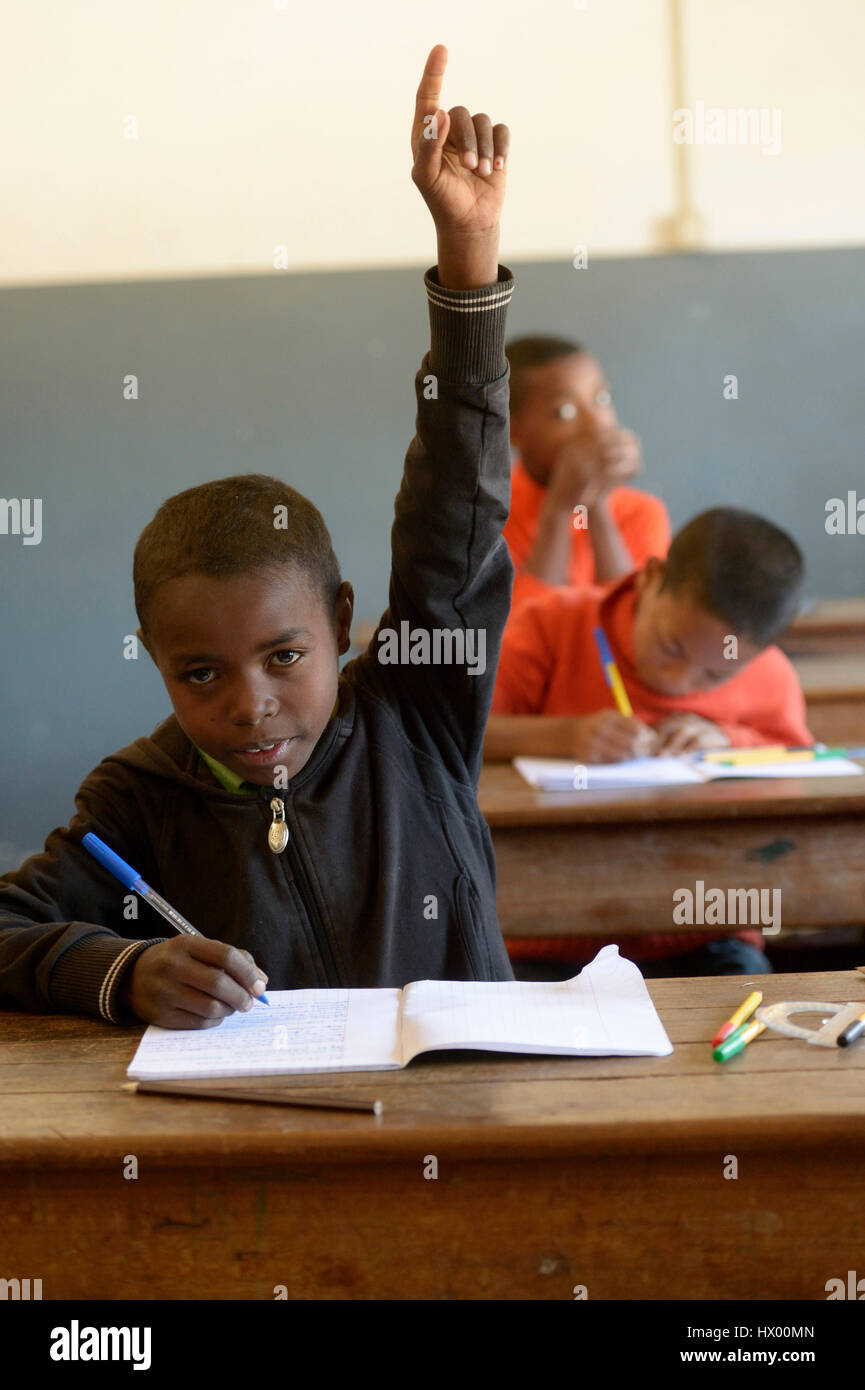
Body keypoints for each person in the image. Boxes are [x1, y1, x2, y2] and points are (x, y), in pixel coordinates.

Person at [0, 45, 519, 1027]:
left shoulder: (417, 705)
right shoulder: (137, 801)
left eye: (285, 654)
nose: (253, 706)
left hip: (468, 1129)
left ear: (342, 621)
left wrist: (468, 261)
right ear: (153, 659)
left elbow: (457, 513)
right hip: (270, 1162)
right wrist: (123, 973)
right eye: (200, 673)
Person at [486, 507, 812, 975]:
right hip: (548, 933)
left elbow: (802, 765)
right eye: (670, 647)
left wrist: (729, 741)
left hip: (702, 934)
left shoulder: (770, 675)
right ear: (650, 576)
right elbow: (458, 739)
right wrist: (565, 735)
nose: (680, 681)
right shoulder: (555, 626)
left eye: (715, 673)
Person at [503, 336, 671, 608]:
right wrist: (558, 510)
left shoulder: (642, 513)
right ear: (514, 432)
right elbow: (522, 632)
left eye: (601, 398)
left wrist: (596, 501)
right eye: (564, 411)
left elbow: (633, 630)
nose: (595, 423)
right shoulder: (489, 515)